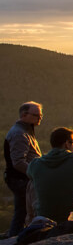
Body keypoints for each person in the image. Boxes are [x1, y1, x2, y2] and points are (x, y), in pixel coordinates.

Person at [27, 127, 73, 224]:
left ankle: (30, 220)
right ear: (67, 144)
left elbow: (29, 174)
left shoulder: (35, 164)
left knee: (32, 182)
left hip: (45, 219)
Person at [3, 101, 43, 236]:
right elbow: (19, 162)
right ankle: (16, 239)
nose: (40, 118)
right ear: (24, 115)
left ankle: (16, 237)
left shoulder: (25, 131)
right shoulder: (19, 134)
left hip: (22, 178)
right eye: (36, 115)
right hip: (21, 179)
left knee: (23, 211)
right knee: (24, 211)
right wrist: (36, 174)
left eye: (41, 115)